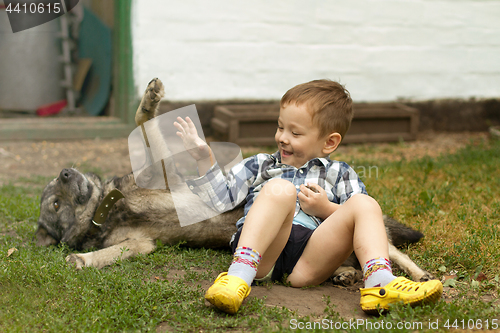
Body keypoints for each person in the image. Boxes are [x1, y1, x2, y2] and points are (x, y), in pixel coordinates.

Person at [173, 79, 442, 315]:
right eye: (280, 127)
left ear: (329, 142)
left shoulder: (340, 173)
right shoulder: (261, 165)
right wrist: (204, 159)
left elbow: (363, 223)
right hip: (264, 254)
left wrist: (326, 208)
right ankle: (237, 278)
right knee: (281, 190)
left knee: (366, 204)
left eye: (295, 133)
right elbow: (219, 201)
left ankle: (381, 283)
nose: (282, 138)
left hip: (310, 260)